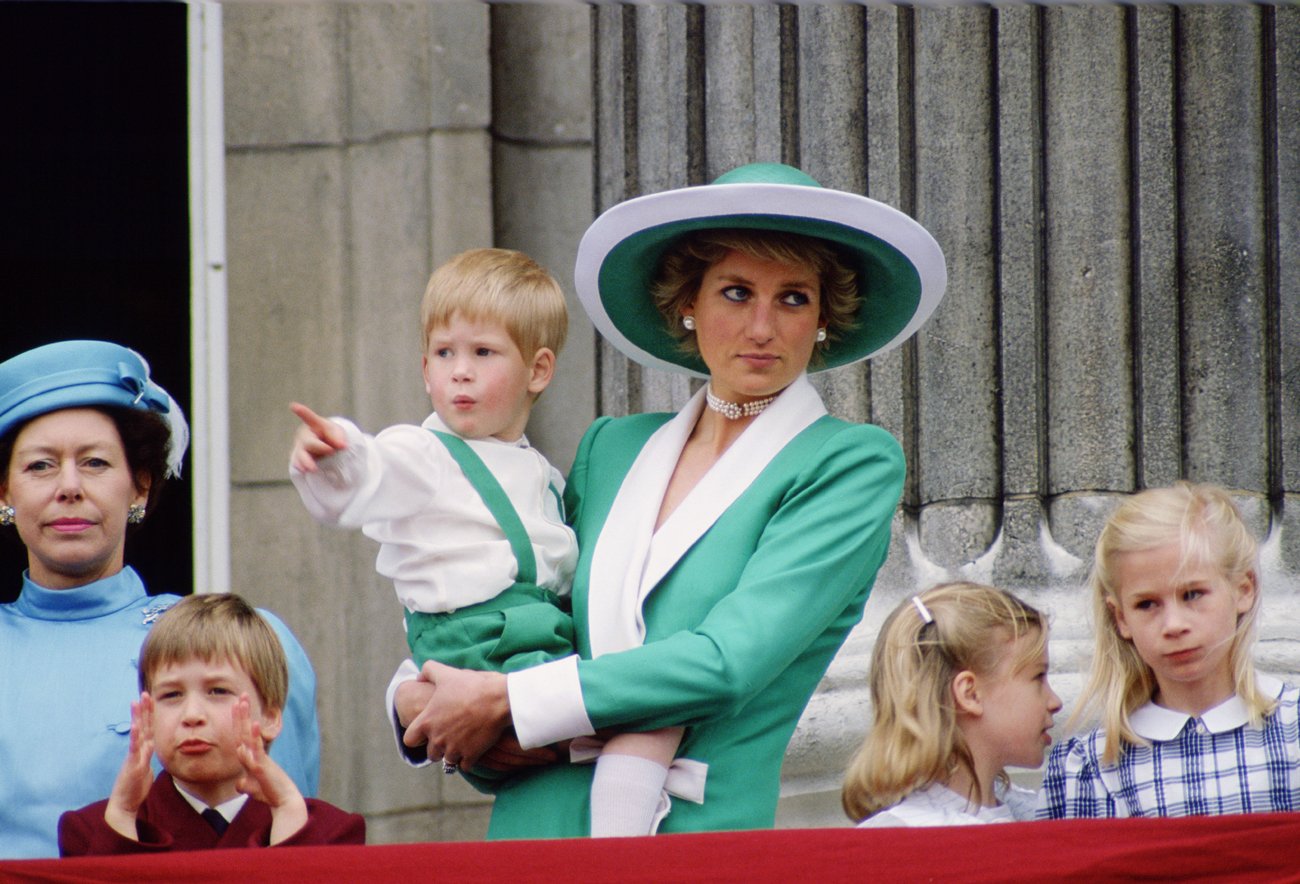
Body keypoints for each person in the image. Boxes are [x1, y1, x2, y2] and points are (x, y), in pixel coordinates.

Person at [390, 162, 949, 837]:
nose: (763, 326)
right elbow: (522, 607)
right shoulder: (613, 447)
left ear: (825, 318)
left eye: (794, 298)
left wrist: (506, 699)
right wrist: (420, 697)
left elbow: (728, 662)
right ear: (689, 302)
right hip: (532, 833)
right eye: (736, 292)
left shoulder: (848, 463)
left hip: (695, 846)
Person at [292, 248, 668, 836]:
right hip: (479, 641)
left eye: (483, 353)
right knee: (643, 715)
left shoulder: (539, 472)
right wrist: (335, 453)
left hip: (527, 634)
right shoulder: (425, 453)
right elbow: (373, 470)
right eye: (445, 354)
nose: (459, 371)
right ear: (424, 370)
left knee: (624, 714)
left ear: (538, 371)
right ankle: (626, 843)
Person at [0, 340, 321, 859]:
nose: (69, 487)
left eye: (96, 462)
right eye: (40, 466)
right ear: (4, 493)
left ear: (141, 486)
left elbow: (288, 853)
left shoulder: (241, 640)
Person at [1037, 481, 1297, 818]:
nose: (1173, 625)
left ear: (1243, 590)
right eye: (1147, 604)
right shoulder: (1090, 770)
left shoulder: (1293, 732)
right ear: (1121, 618)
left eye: (1193, 594)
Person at [59, 593, 364, 853]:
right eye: (171, 694)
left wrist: (288, 818)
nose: (192, 715)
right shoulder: (91, 831)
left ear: (270, 716)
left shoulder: (331, 832)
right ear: (148, 716)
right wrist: (123, 821)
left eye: (218, 691)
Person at [843, 582, 1061, 827]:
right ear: (970, 694)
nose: (1056, 702)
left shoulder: (1041, 815)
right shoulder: (899, 837)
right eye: (1038, 677)